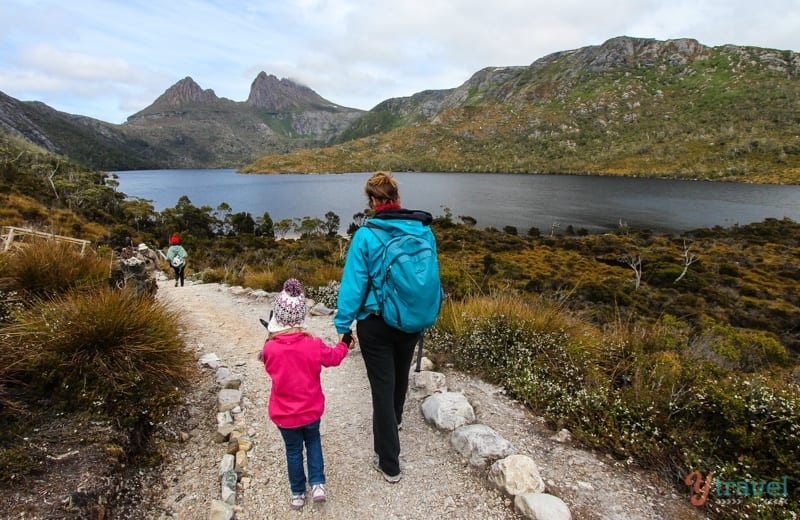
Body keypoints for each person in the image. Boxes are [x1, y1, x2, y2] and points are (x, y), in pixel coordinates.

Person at [334, 171, 439, 483]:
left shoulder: (366, 235)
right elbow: (429, 276)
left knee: (382, 386)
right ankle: (395, 421)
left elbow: (354, 286)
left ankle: (389, 462)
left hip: (376, 323)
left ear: (372, 201)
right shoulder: (423, 231)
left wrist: (343, 325)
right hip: (410, 319)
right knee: (400, 375)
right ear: (397, 198)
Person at [261, 278, 353, 510]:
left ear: (277, 317)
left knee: (293, 451)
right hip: (311, 410)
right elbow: (333, 358)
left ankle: (297, 493)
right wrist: (345, 344)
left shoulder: (270, 349)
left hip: (284, 415)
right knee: (313, 442)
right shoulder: (313, 344)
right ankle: (318, 484)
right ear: (302, 316)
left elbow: (269, 366)